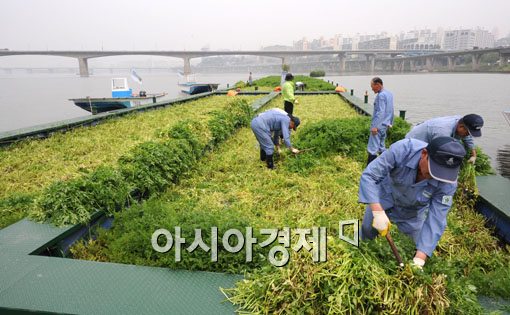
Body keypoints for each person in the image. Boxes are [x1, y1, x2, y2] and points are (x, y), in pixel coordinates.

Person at [358, 136, 466, 269]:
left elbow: (436, 219)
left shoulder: (448, 182)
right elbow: (370, 175)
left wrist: (420, 258)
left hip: (412, 212)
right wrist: (377, 211)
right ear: (424, 154)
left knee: (414, 247)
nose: (435, 176)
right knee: (367, 231)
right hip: (384, 198)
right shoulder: (403, 149)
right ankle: (361, 257)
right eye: (434, 170)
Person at [405, 114, 484, 164]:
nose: (467, 135)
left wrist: (474, 155)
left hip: (431, 138)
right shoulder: (442, 131)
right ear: (461, 127)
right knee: (418, 163)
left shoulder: (463, 121)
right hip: (414, 142)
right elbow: (437, 151)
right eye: (467, 133)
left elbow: (468, 138)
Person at [367, 77, 394, 165]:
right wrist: (390, 123)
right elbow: (391, 110)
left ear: (378, 85)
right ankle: (385, 166)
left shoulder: (381, 95)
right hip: (385, 125)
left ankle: (370, 168)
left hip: (378, 126)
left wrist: (374, 126)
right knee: (382, 147)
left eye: (372, 86)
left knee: (373, 148)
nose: (371, 89)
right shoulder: (389, 94)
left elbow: (380, 112)